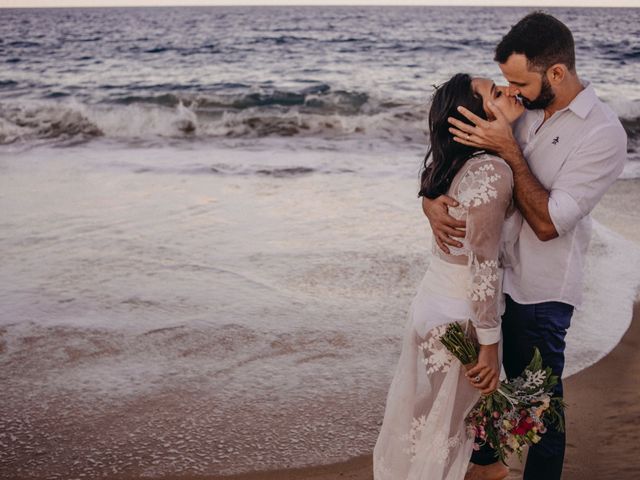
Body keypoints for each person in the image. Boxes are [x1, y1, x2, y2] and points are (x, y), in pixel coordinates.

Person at [425, 12, 627, 480]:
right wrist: (429, 200)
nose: (511, 91)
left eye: (519, 82)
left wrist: (509, 150)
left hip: (540, 293)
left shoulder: (602, 134)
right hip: (484, 287)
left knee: (539, 416)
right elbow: (457, 155)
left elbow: (548, 224)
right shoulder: (520, 109)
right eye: (505, 82)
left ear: (556, 73)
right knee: (483, 406)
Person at [373, 73, 524, 480]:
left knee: (444, 428)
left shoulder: (460, 164)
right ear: (473, 119)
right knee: (447, 439)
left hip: (434, 307)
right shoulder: (492, 171)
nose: (508, 91)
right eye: (495, 93)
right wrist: (489, 344)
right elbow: (482, 266)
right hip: (461, 317)